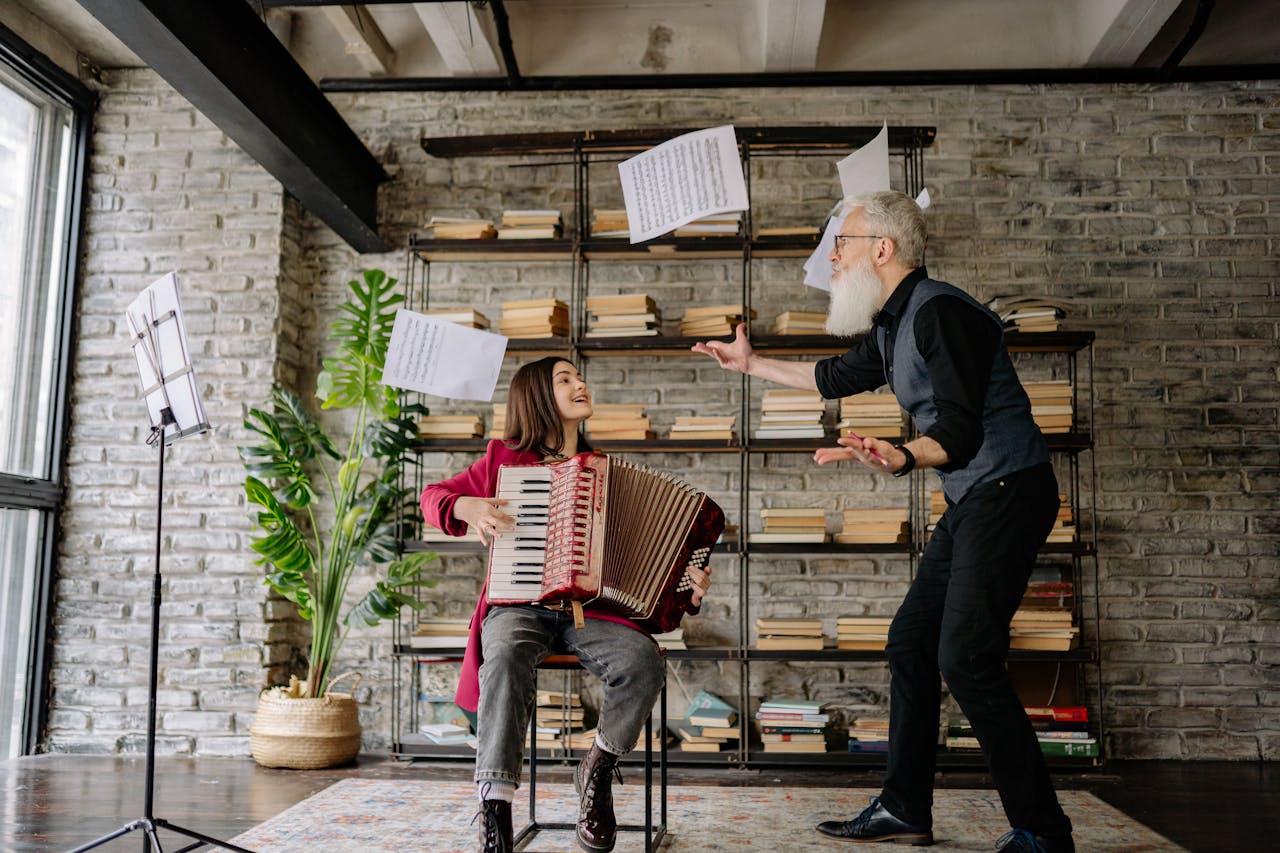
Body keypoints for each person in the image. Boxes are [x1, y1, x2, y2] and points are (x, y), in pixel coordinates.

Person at [692, 190, 1074, 852]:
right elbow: (833, 376)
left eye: (843, 242)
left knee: (965, 656)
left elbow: (957, 427)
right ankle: (905, 806)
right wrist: (751, 363)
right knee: (911, 643)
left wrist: (901, 454)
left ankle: (1044, 829)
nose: (834, 256)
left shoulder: (943, 313)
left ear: (883, 249)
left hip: (1010, 488)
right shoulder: (896, 324)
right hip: (977, 494)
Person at [420, 356, 713, 853]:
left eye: (579, 376)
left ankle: (597, 771)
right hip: (519, 606)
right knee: (507, 655)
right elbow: (433, 496)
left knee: (642, 661)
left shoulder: (608, 474)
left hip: (589, 613)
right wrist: (465, 507)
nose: (581, 383)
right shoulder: (502, 460)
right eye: (565, 379)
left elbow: (651, 565)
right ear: (537, 396)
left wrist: (686, 585)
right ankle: (495, 809)